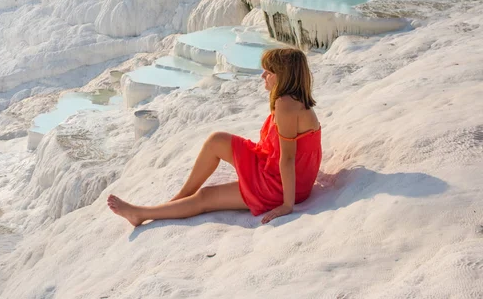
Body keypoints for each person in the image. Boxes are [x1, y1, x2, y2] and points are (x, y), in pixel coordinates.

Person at [108, 48, 322, 226]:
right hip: (272, 166)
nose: (262, 76)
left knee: (206, 197)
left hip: (278, 186)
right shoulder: (291, 101)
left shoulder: (285, 105)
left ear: (282, 76)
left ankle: (141, 214)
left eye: (268, 72)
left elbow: (288, 158)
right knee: (216, 140)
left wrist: (287, 205)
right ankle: (179, 200)